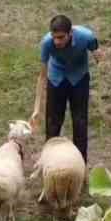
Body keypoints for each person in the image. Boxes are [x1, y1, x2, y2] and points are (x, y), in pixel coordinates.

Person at [39, 14, 99, 161]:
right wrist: (42, 91)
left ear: (70, 33)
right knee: (53, 122)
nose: (56, 41)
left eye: (60, 37)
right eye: (54, 37)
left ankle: (80, 163)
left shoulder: (86, 37)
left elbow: (96, 50)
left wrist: (98, 56)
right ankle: (49, 161)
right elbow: (43, 69)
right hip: (56, 79)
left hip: (79, 78)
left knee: (80, 121)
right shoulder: (47, 43)